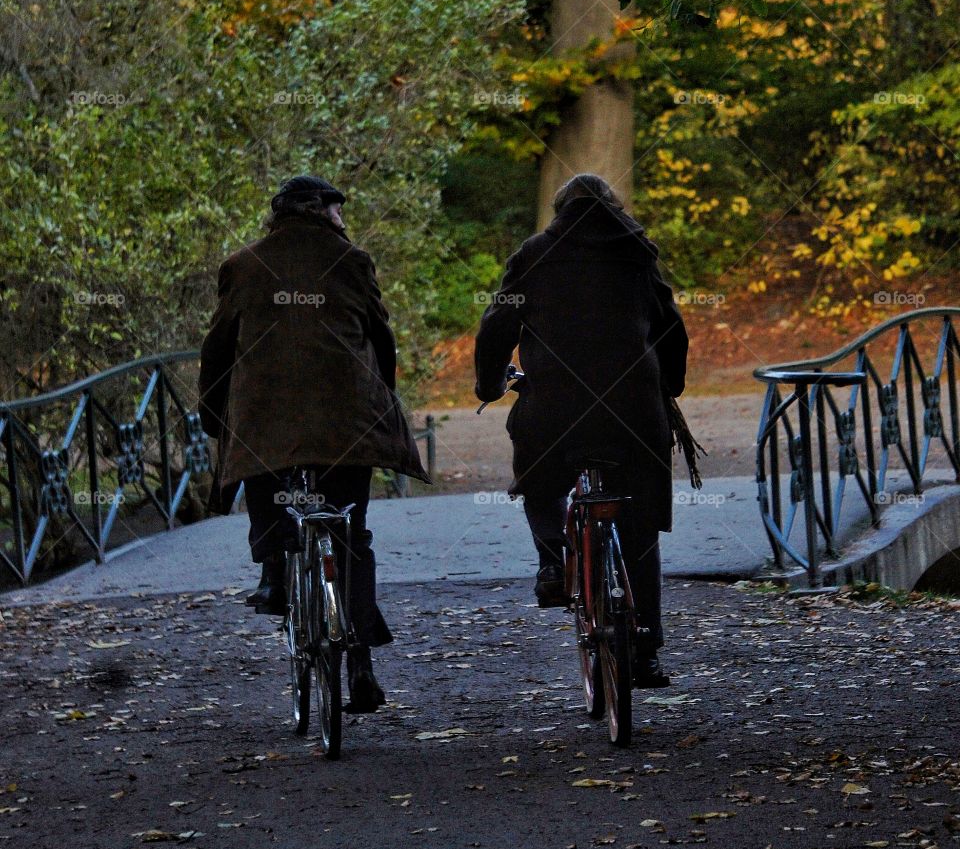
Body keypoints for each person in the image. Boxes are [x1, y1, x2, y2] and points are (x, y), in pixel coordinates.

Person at [198, 174, 428, 712]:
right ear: (322, 212)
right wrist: (384, 394)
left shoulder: (243, 264)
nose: (342, 220)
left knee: (265, 475)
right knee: (351, 532)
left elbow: (218, 347)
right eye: (337, 210)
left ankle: (274, 572)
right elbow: (380, 335)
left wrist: (214, 412)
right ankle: (362, 667)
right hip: (347, 420)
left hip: (267, 417)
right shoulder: (352, 261)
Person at [473, 173, 688, 688]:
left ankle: (552, 561)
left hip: (555, 408)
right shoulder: (637, 252)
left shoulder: (535, 253)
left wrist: (489, 385)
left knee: (539, 478)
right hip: (634, 411)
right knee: (638, 526)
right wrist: (669, 386)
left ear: (560, 209)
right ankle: (646, 651)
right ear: (612, 207)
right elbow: (671, 327)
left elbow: (497, 326)